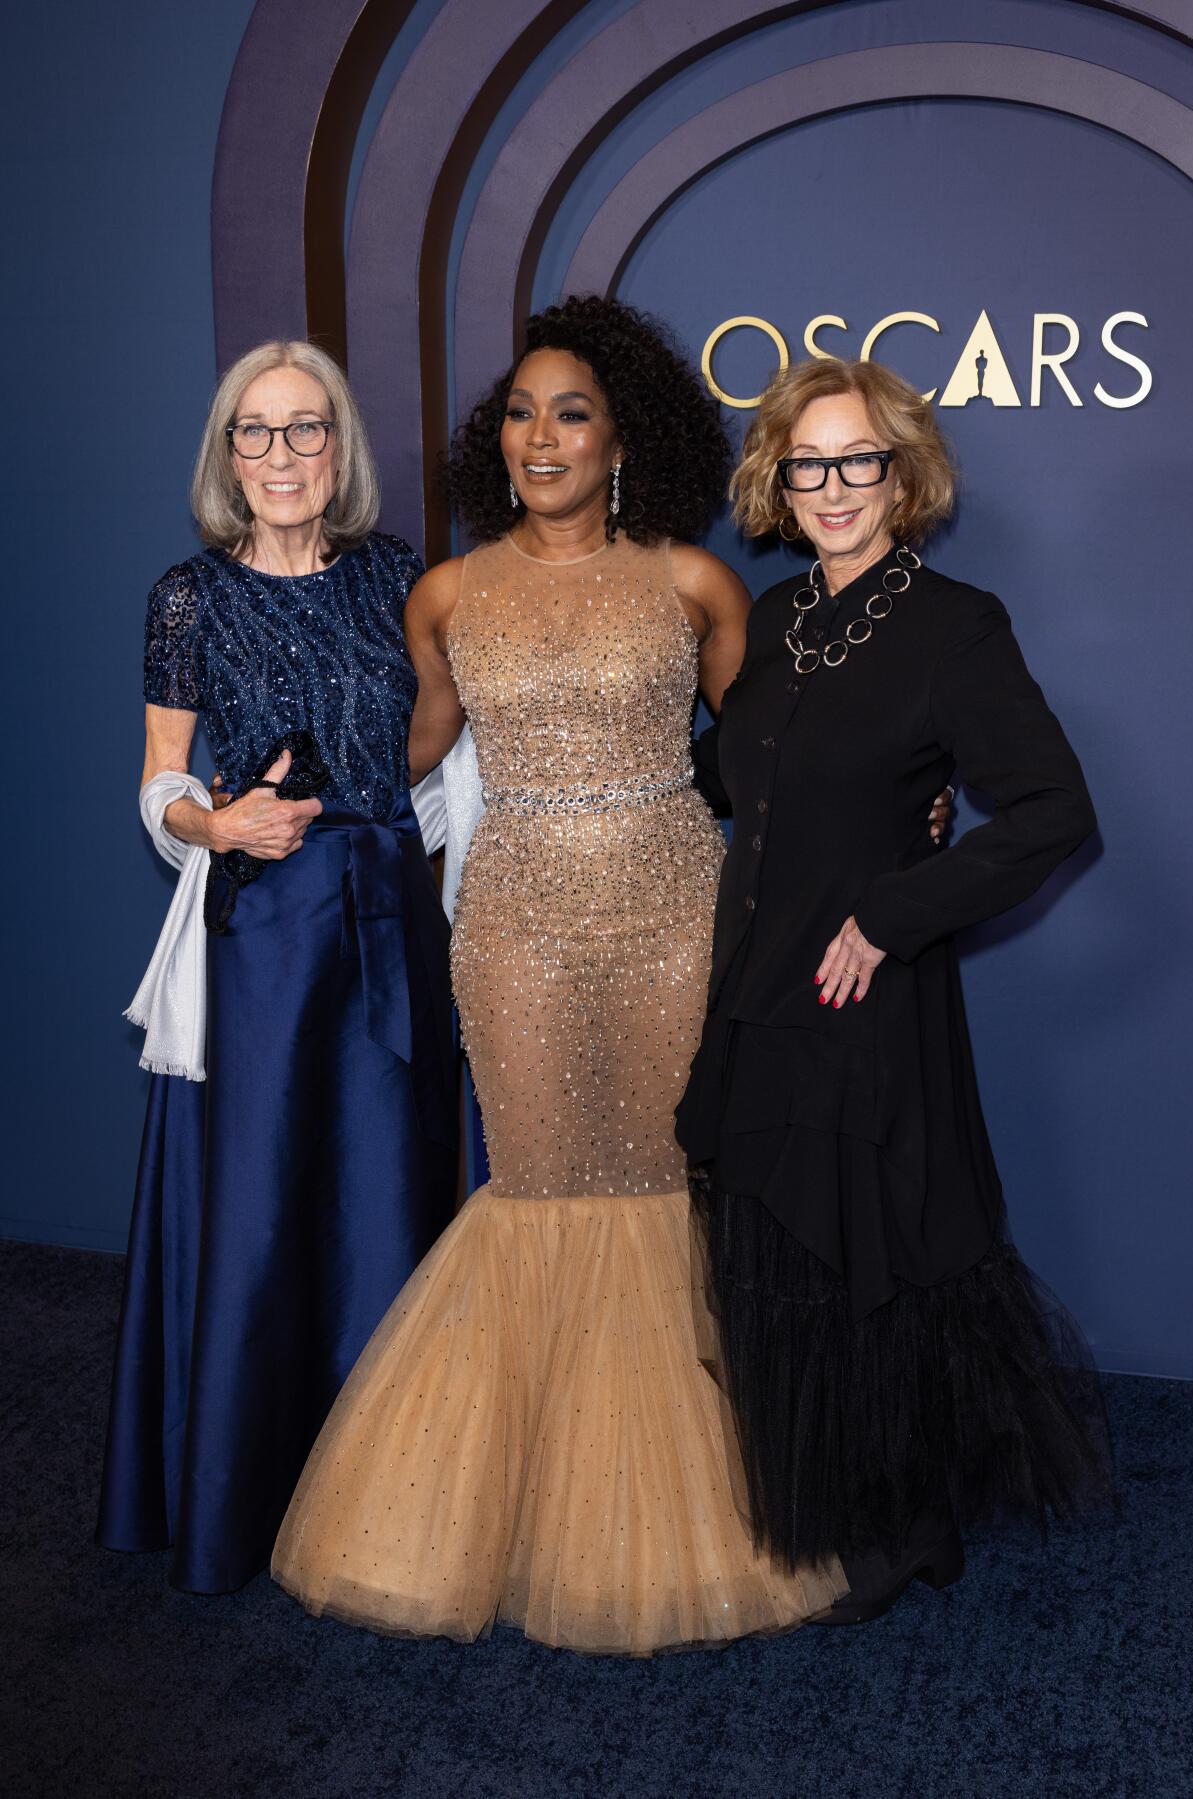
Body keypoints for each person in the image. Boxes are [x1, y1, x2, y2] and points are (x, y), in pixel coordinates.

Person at [272, 296, 856, 1653]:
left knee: (663, 1183)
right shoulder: (451, 594)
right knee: (540, 1185)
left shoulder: (693, 584)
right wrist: (259, 796)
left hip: (670, 912)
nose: (543, 435)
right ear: (500, 439)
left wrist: (899, 809)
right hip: (518, 919)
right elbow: (408, 752)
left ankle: (694, 1511)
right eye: (523, 411)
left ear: (624, 437)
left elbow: (771, 757)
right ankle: (513, 1508)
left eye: (572, 411)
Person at [676, 355, 1113, 1624]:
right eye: (807, 463)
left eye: (857, 459)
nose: (833, 486)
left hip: (860, 994)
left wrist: (894, 906)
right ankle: (848, 1508)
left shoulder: (954, 625)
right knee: (784, 1254)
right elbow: (730, 781)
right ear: (777, 477)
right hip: (759, 987)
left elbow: (1053, 812)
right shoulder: (776, 618)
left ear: (902, 473)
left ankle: (900, 1527)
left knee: (865, 1249)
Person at [98, 342, 457, 1594]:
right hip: (260, 929)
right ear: (226, 454)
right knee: (258, 1203)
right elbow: (162, 781)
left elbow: (443, 752)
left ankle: (395, 1503)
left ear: (339, 450)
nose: (281, 457)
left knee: (384, 1197)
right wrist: (219, 824)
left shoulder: (402, 581)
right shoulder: (186, 597)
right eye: (255, 433)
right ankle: (244, 1499)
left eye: (306, 431)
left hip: (390, 922)